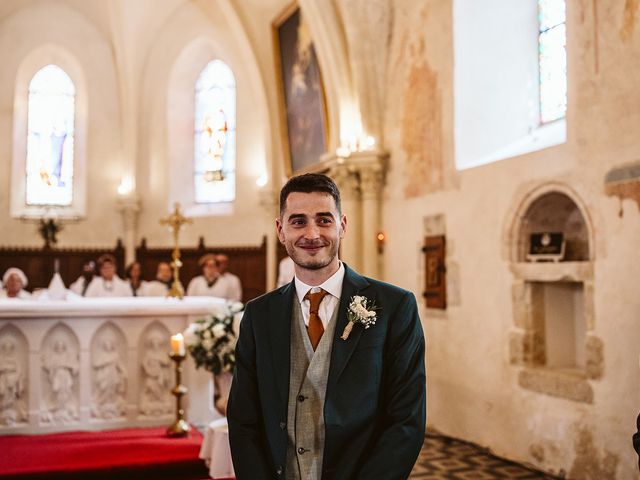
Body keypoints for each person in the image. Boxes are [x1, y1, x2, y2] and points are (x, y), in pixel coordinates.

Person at [227, 174, 426, 479]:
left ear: (342, 225)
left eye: (323, 220)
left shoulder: (395, 307)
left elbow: (406, 420)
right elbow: (243, 420)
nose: (312, 233)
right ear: (280, 230)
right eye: (297, 221)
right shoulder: (258, 315)